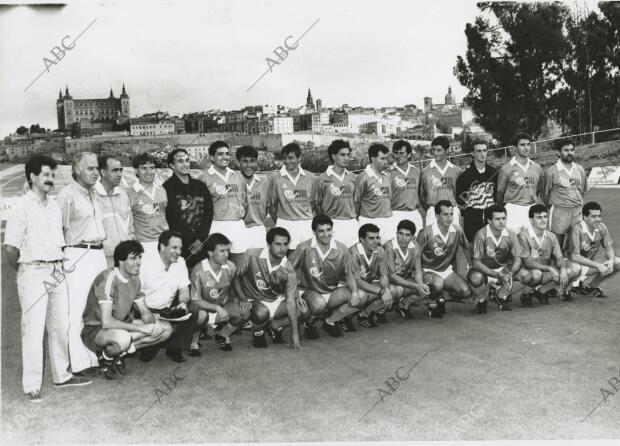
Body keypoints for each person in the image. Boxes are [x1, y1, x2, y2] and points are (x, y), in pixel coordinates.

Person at [5, 155, 90, 401]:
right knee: (32, 330)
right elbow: (11, 249)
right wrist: (25, 272)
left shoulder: (54, 206)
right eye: (45, 174)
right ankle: (32, 386)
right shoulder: (20, 207)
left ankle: (62, 376)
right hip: (33, 271)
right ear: (32, 176)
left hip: (57, 270)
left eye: (52, 175)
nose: (50, 179)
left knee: (60, 326)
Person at [82, 241, 172, 379]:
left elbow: (144, 311)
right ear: (120, 261)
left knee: (166, 329)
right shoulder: (108, 278)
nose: (138, 262)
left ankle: (119, 354)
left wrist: (153, 326)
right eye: (133, 258)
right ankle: (105, 358)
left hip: (121, 326)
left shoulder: (135, 279)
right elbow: (106, 322)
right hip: (96, 330)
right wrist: (143, 329)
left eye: (139, 257)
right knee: (123, 338)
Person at [56, 152, 107, 377]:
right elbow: (58, 231)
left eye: (97, 168)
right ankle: (78, 362)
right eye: (90, 169)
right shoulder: (66, 195)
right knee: (75, 311)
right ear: (76, 170)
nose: (95, 172)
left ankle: (96, 356)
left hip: (98, 253)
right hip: (77, 254)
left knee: (97, 308)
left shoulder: (94, 192)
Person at [288, 215, 361, 339]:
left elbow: (349, 274)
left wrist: (354, 292)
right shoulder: (304, 247)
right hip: (309, 291)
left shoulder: (342, 248)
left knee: (360, 296)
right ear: (314, 232)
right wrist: (295, 294)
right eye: (321, 231)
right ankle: (309, 324)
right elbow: (289, 270)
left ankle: (330, 320)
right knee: (319, 305)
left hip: (331, 291)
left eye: (328, 230)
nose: (326, 234)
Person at [233, 227, 306, 349]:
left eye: (285, 244)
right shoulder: (250, 255)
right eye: (278, 244)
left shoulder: (289, 269)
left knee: (303, 311)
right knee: (261, 313)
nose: (282, 248)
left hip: (275, 300)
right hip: (254, 300)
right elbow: (236, 278)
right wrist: (242, 298)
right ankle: (258, 332)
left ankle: (275, 325)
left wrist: (295, 334)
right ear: (268, 244)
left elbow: (290, 301)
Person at [139, 230, 199, 363]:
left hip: (168, 309)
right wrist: (148, 314)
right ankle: (156, 340)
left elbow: (184, 289)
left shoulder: (181, 261)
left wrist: (183, 303)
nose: (178, 252)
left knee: (193, 308)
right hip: (148, 311)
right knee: (146, 357)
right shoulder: (145, 263)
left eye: (180, 248)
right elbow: (136, 295)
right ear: (162, 247)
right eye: (174, 247)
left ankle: (175, 347)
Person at [189, 233, 250, 354]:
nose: (226, 254)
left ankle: (223, 334)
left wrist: (241, 298)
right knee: (199, 316)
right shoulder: (198, 270)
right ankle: (194, 339)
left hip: (223, 307)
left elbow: (235, 281)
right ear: (210, 252)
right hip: (204, 309)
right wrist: (216, 308)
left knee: (245, 312)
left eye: (227, 250)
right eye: (222, 251)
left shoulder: (230, 266)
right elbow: (195, 300)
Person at [467, 204, 535, 313]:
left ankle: (501, 294)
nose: (501, 222)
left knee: (526, 276)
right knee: (475, 278)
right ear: (489, 220)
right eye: (497, 219)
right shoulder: (480, 235)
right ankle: (482, 300)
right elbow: (476, 263)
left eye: (504, 218)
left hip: (503, 269)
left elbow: (517, 259)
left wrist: (511, 273)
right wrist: (495, 275)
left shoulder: (511, 234)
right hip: (484, 270)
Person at [417, 200, 472, 318]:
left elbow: (466, 247)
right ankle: (432, 304)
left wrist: (470, 265)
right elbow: (415, 256)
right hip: (428, 269)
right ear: (437, 216)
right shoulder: (426, 233)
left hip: (446, 270)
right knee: (437, 284)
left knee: (465, 291)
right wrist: (421, 273)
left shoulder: (457, 230)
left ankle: (441, 297)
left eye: (451, 214)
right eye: (445, 214)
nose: (449, 218)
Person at [518, 204, 581, 303]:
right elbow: (528, 263)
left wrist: (563, 269)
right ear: (531, 220)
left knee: (576, 268)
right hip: (530, 272)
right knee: (536, 274)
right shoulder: (523, 236)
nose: (543, 220)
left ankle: (542, 290)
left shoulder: (551, 236)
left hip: (546, 272)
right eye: (539, 217)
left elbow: (559, 257)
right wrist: (550, 268)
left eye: (545, 217)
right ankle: (526, 292)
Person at [163, 148, 213, 268]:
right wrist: (192, 240)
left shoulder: (200, 186)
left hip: (202, 243)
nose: (185, 164)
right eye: (180, 161)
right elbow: (173, 217)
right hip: (181, 244)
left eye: (187, 160)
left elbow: (209, 213)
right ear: (171, 165)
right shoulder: (167, 187)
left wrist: (201, 239)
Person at [198, 141, 247, 261]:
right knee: (218, 264)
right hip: (217, 225)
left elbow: (245, 202)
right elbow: (200, 208)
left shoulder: (237, 176)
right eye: (220, 154)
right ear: (212, 157)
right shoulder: (204, 177)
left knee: (239, 265)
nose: (225, 157)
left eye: (227, 153)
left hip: (237, 225)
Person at [349, 223, 403, 327]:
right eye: (371, 238)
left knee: (395, 290)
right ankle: (337, 319)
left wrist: (386, 291)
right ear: (362, 239)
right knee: (361, 296)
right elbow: (357, 281)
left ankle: (364, 314)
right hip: (350, 286)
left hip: (367, 283)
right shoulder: (353, 253)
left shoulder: (380, 250)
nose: (376, 241)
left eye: (377, 237)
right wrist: (381, 292)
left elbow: (383, 275)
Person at [540, 138, 588, 249]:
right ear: (558, 153)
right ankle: (555, 265)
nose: (570, 152)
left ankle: (572, 265)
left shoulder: (580, 169)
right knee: (556, 246)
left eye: (572, 150)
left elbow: (582, 191)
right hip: (559, 211)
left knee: (575, 246)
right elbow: (544, 194)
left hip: (577, 212)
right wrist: (552, 206)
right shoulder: (551, 171)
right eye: (566, 150)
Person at [268, 143, 316, 250]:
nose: (287, 161)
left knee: (308, 258)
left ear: (299, 158)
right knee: (288, 260)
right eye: (284, 158)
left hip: (306, 225)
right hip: (285, 224)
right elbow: (272, 206)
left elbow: (312, 203)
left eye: (291, 158)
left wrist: (302, 216)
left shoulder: (311, 177)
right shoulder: (276, 178)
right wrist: (283, 222)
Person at [569, 202, 620, 297]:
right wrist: (598, 266)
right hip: (573, 264)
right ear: (585, 217)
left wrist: (611, 261)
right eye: (593, 216)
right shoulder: (577, 229)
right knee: (575, 269)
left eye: (599, 216)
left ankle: (591, 287)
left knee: (617, 262)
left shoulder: (602, 227)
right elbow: (574, 256)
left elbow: (609, 247)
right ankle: (566, 288)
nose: (598, 219)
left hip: (588, 264)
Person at [496, 132, 543, 234]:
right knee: (514, 245)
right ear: (514, 148)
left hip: (531, 208)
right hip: (513, 209)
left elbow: (538, 190)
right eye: (522, 145)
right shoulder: (506, 169)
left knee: (532, 243)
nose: (526, 148)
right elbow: (500, 194)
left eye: (528, 144)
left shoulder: (537, 167)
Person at [315, 140, 359, 247]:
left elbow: (357, 202)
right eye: (342, 155)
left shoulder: (353, 177)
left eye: (348, 155)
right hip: (332, 224)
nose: (346, 158)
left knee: (353, 260)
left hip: (351, 224)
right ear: (334, 156)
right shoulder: (322, 179)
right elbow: (317, 205)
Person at [383, 219, 429, 319]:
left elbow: (417, 269)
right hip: (386, 282)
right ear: (396, 234)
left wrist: (420, 284)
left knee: (427, 284)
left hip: (404, 280)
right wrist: (415, 286)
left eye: (407, 235)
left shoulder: (415, 246)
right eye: (401, 234)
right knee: (396, 290)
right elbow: (392, 276)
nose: (403, 238)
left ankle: (403, 305)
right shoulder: (389, 248)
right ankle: (376, 311)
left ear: (413, 237)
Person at [455, 138, 498, 242]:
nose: (482, 154)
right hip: (472, 222)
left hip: (490, 221)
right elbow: (460, 202)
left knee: (491, 254)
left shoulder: (494, 173)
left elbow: (497, 197)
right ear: (472, 153)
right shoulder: (464, 175)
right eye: (479, 151)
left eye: (485, 150)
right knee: (474, 256)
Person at [95, 155, 134, 266]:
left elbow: (130, 224)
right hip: (103, 257)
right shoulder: (93, 196)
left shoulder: (123, 195)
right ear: (102, 172)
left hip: (125, 256)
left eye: (120, 170)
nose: (119, 174)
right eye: (114, 170)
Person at [127, 152, 168, 259]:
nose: (149, 172)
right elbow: (128, 223)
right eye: (144, 168)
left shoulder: (162, 190)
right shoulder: (130, 193)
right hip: (144, 245)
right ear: (136, 170)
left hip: (165, 242)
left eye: (152, 167)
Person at [420, 136, 462, 228]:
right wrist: (431, 209)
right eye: (433, 150)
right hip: (433, 213)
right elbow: (422, 196)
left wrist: (455, 208)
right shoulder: (426, 172)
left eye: (439, 150)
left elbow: (459, 194)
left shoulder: (456, 171)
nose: (435, 153)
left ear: (447, 150)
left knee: (453, 241)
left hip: (452, 211)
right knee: (434, 241)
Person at [354, 144, 393, 240]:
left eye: (386, 158)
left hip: (388, 220)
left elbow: (388, 198)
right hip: (369, 221)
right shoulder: (363, 177)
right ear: (372, 158)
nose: (386, 161)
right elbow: (356, 201)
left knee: (389, 251)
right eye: (382, 158)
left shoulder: (387, 175)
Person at [236, 145, 271, 250]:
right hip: (239, 230)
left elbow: (267, 208)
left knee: (259, 264)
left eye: (252, 161)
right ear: (238, 163)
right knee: (241, 265)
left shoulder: (263, 183)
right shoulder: (233, 181)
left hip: (258, 230)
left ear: (256, 162)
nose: (249, 165)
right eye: (245, 161)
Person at [389, 140, 423, 237]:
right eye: (396, 153)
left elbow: (421, 194)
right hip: (396, 214)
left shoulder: (416, 172)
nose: (398, 156)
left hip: (414, 213)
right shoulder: (388, 173)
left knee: (417, 246)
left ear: (409, 154)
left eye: (402, 153)